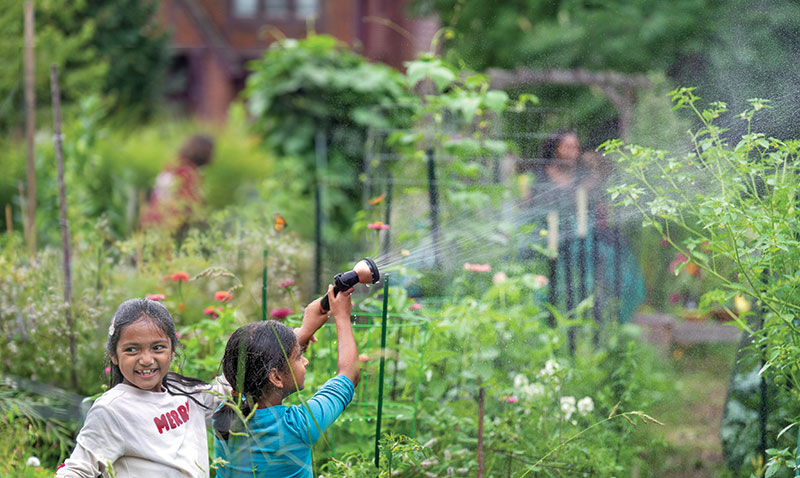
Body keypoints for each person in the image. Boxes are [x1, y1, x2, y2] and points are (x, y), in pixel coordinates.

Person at [56, 298, 226, 477]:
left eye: (158, 347)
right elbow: (77, 470)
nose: (146, 360)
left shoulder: (186, 392)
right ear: (114, 355)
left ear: (172, 350)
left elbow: (229, 392)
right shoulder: (112, 410)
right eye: (131, 350)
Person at [212, 285, 359, 478]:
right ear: (276, 377)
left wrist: (305, 330)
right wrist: (342, 316)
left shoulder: (223, 416)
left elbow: (256, 363)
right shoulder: (299, 426)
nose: (305, 360)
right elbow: (350, 374)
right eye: (298, 357)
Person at [141, 134, 214, 235]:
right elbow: (189, 203)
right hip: (171, 224)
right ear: (203, 152)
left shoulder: (172, 165)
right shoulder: (187, 173)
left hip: (154, 220)